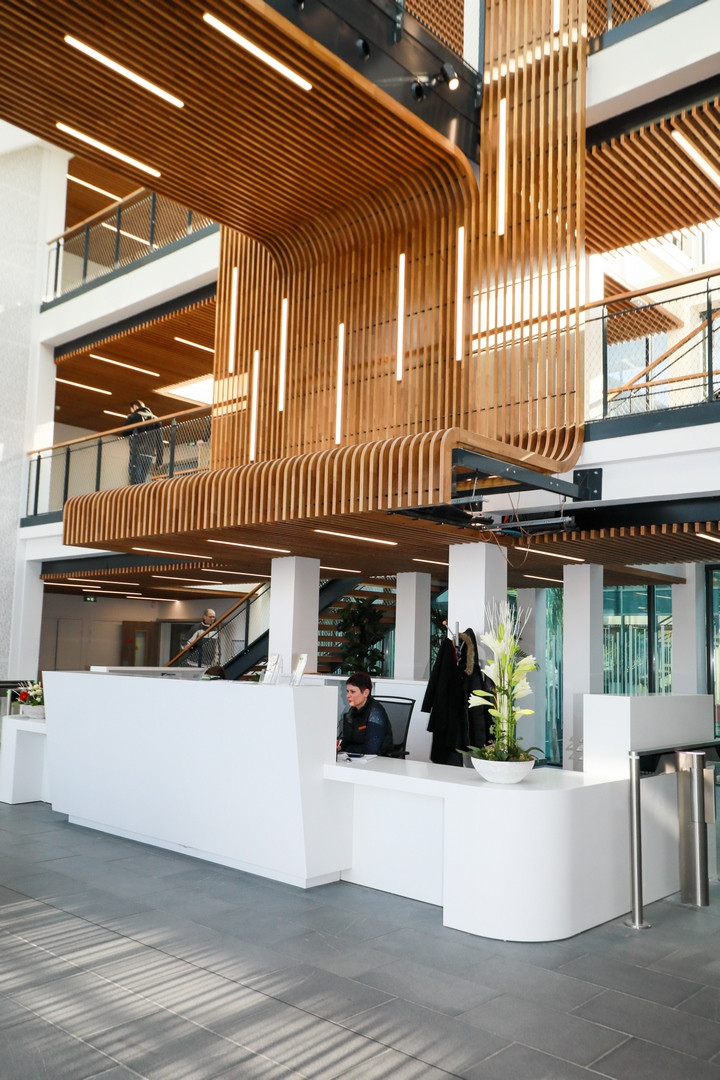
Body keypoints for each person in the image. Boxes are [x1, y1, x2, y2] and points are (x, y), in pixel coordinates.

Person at [338, 671, 393, 756]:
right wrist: (340, 746)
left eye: (352, 692)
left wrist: (347, 749)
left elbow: (371, 748)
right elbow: (347, 739)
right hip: (357, 757)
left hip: (379, 759)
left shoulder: (376, 711)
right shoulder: (352, 711)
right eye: (347, 691)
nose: (348, 695)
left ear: (365, 693)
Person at [123, 400, 163, 485]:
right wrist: (159, 460)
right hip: (149, 455)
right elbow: (160, 441)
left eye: (131, 409)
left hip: (137, 452)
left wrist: (129, 419)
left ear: (135, 407)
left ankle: (135, 493)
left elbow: (124, 432)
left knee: (134, 481)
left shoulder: (134, 416)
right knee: (141, 481)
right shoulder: (155, 419)